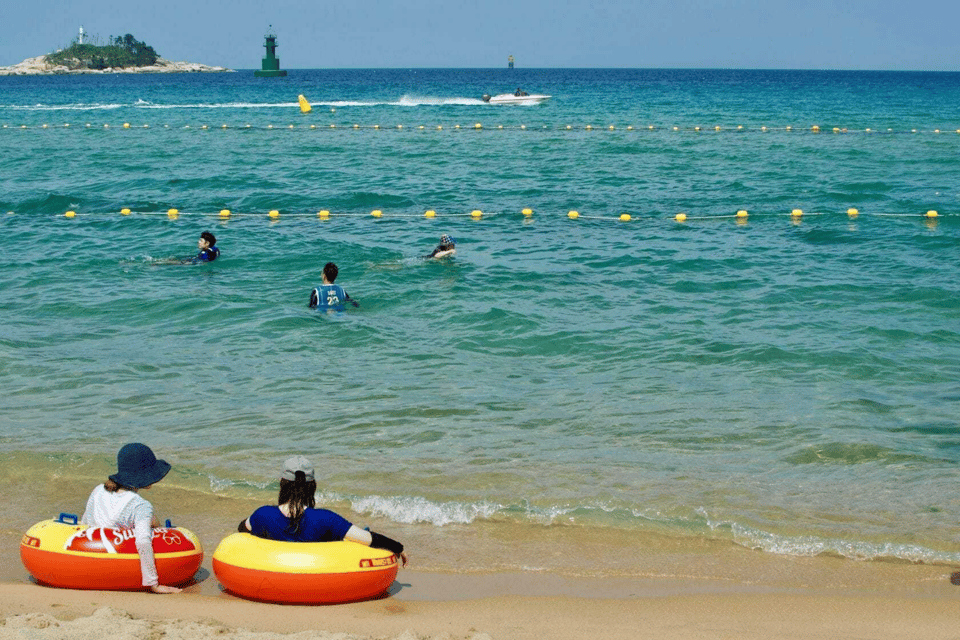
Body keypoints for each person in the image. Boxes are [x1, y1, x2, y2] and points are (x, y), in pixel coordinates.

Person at [239, 456, 408, 566]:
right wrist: (398, 547)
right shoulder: (325, 518)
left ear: (282, 483)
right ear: (312, 486)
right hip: (318, 574)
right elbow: (369, 539)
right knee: (359, 531)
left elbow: (242, 528)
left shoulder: (262, 514)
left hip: (274, 573)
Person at [81, 443, 182, 594]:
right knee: (150, 525)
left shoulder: (99, 490)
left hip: (89, 558)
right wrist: (154, 584)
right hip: (115, 563)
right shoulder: (140, 505)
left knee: (149, 521)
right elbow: (142, 541)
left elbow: (85, 522)